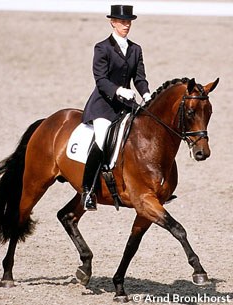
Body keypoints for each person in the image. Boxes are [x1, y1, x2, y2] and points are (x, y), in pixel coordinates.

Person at [81, 4, 151, 211]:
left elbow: (139, 78)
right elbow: (100, 80)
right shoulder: (102, 48)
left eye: (128, 22)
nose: (126, 25)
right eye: (122, 22)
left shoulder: (135, 49)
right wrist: (119, 90)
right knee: (102, 140)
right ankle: (88, 191)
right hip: (103, 106)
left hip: (126, 105)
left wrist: (146, 93)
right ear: (113, 22)